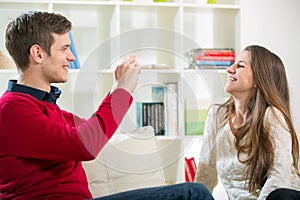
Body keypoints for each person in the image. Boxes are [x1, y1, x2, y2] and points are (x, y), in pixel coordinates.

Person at [0, 11, 213, 200]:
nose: (71, 56)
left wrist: (116, 90)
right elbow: (84, 144)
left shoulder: (43, 106)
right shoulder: (12, 109)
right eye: (64, 48)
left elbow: (92, 130)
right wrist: (122, 91)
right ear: (38, 54)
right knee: (195, 193)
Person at [195, 45, 300, 200]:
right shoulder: (216, 116)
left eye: (240, 66)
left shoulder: (271, 115)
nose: (229, 69)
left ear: (259, 79)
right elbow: (206, 176)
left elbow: (278, 179)